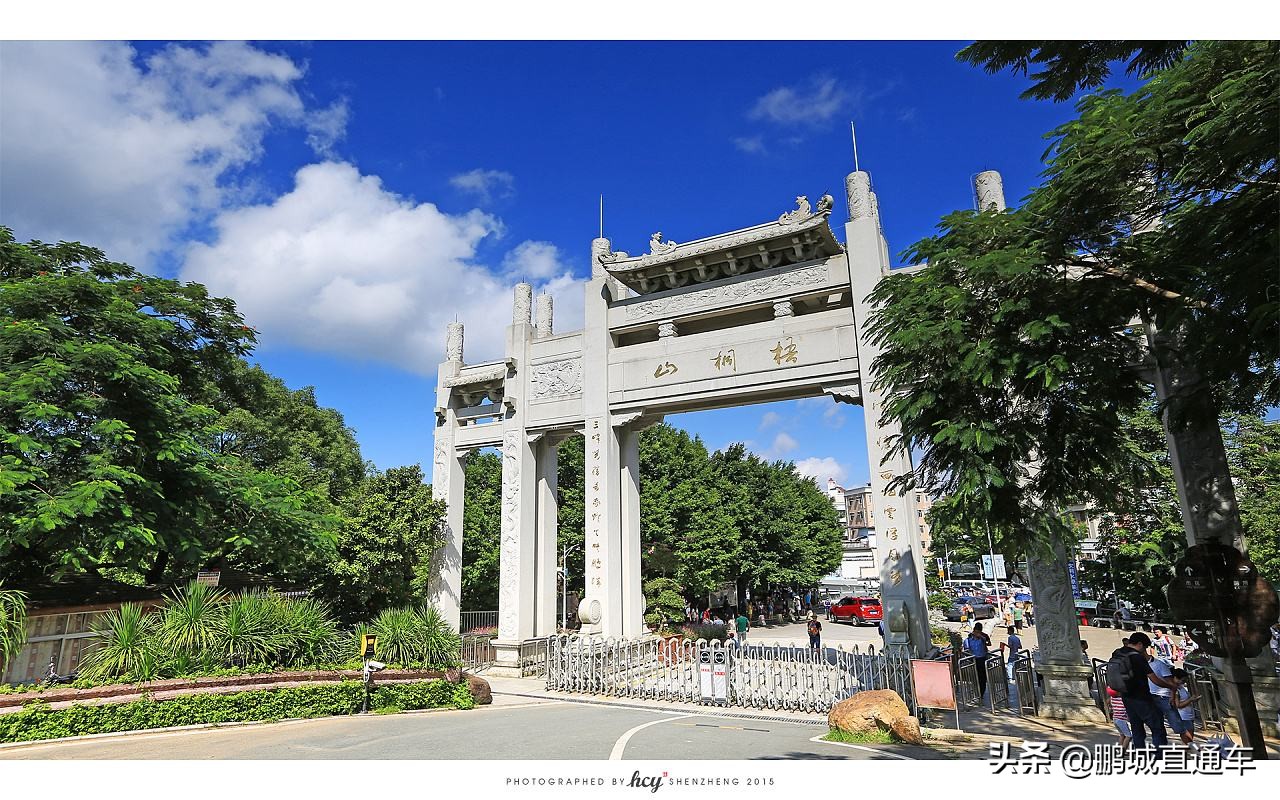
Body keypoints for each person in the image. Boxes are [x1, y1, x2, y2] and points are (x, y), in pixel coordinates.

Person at [1108, 631, 1175, 752]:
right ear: (1139, 644)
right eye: (1144, 647)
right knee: (1157, 727)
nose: (1145, 650)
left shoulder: (1117, 653)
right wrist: (1171, 686)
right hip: (1141, 698)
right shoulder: (1137, 657)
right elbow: (1155, 680)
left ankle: (1140, 755)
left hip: (1126, 697)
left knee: (1136, 728)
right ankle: (1160, 756)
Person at [1148, 647, 1187, 742]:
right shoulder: (1138, 664)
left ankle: (1191, 747)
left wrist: (1172, 696)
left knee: (1178, 726)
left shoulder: (1159, 664)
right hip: (1150, 697)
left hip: (1164, 697)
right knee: (1157, 727)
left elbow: (1171, 683)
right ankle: (1160, 751)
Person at [1170, 668, 1199, 746]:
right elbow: (1178, 705)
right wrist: (1190, 700)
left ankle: (1187, 753)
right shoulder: (1175, 690)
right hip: (1183, 717)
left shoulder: (1181, 688)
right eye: (1183, 680)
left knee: (1189, 740)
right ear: (1176, 678)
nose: (1184, 682)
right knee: (1188, 740)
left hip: (1188, 715)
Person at [965, 623, 993, 701]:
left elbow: (988, 642)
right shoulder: (969, 638)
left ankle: (981, 693)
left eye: (979, 631)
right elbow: (966, 648)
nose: (977, 633)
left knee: (982, 677)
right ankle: (976, 691)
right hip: (973, 659)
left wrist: (981, 637)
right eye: (976, 631)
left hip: (982, 658)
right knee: (975, 676)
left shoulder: (983, 637)